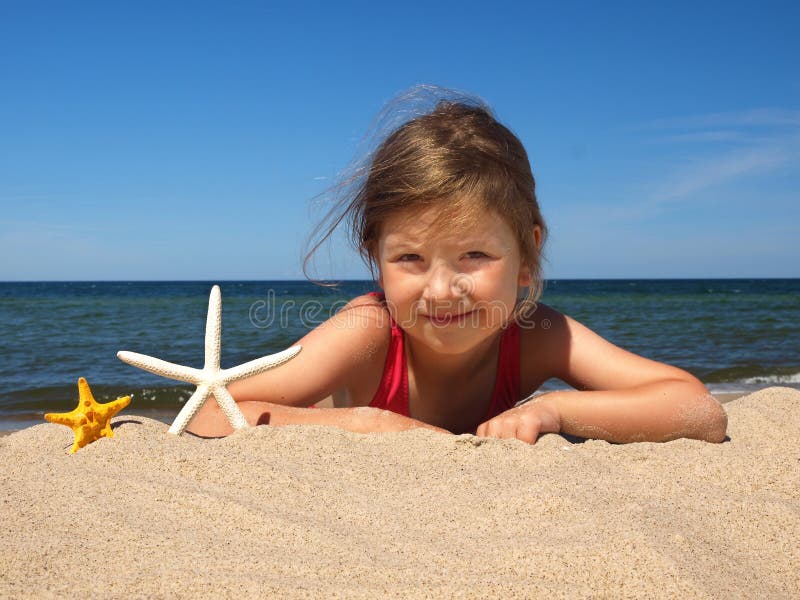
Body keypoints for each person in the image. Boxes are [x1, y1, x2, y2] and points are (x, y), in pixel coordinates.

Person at [188, 90, 728, 445]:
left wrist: (557, 410)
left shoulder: (537, 333)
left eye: (474, 255)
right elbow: (210, 410)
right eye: (409, 259)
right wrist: (357, 423)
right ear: (375, 259)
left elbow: (699, 410)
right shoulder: (368, 332)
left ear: (527, 257)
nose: (443, 290)